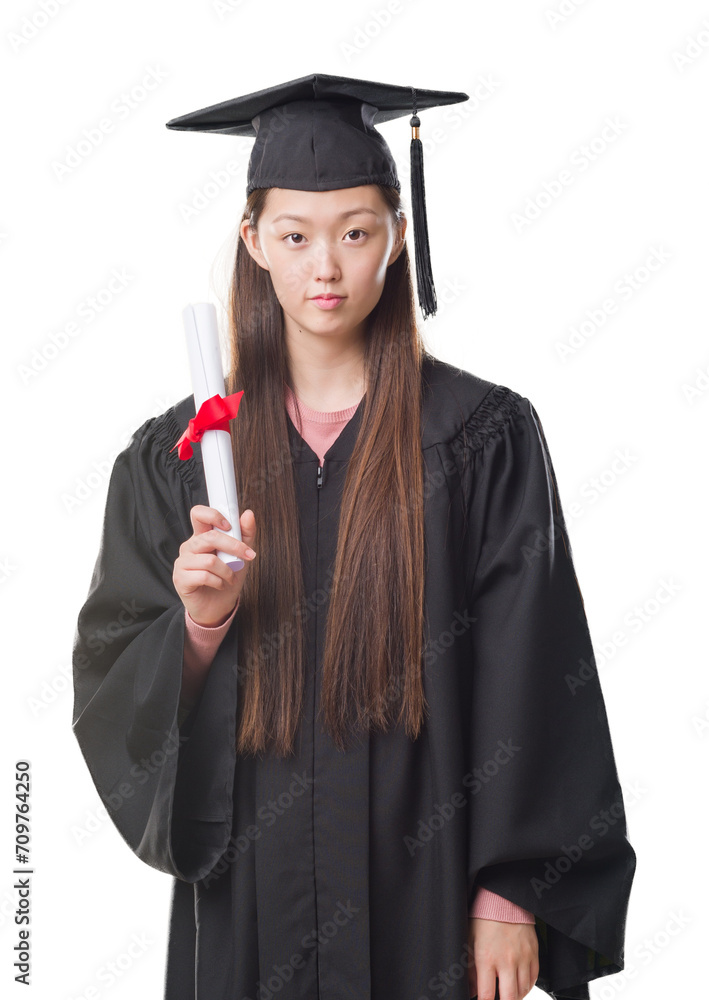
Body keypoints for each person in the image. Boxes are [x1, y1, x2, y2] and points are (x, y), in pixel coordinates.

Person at [71, 73, 636, 1000]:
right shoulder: (182, 458)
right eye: (294, 236)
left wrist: (507, 894)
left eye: (355, 232)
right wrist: (201, 626)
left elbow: (533, 662)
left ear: (397, 238)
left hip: (430, 884)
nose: (324, 267)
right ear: (253, 241)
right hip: (251, 889)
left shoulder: (480, 437)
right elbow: (112, 670)